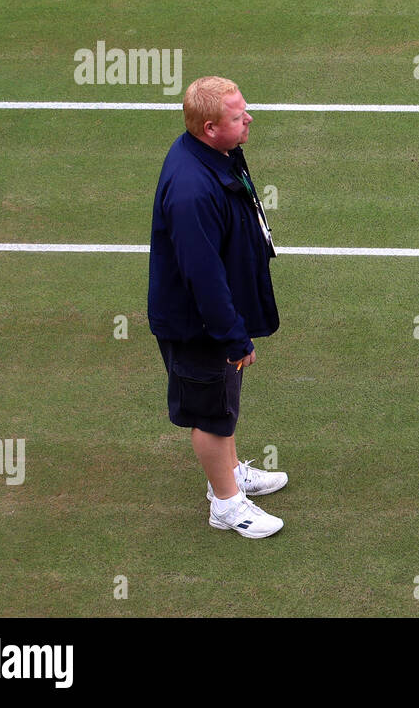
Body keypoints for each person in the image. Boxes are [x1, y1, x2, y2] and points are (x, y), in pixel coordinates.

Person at [148, 76, 288, 538]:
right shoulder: (192, 189)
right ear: (209, 128)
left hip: (218, 316)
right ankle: (226, 505)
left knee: (225, 403)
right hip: (199, 326)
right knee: (211, 414)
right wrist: (231, 335)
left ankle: (230, 476)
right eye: (236, 116)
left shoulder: (212, 153)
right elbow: (202, 274)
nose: (248, 119)